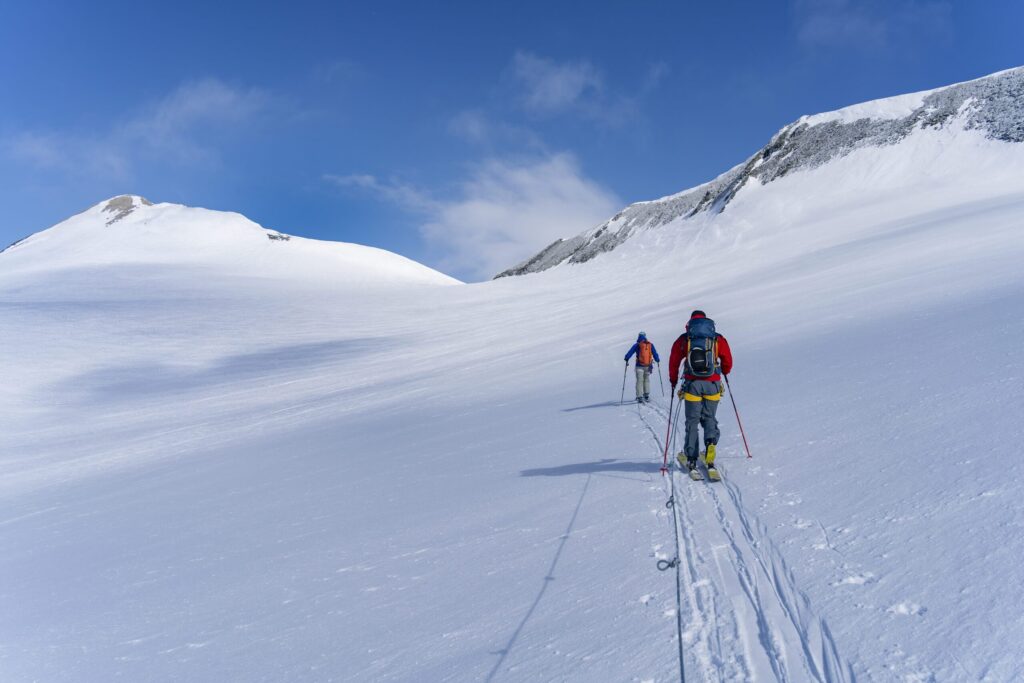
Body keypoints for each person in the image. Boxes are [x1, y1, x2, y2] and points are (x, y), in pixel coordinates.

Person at [667, 311, 733, 474]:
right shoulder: (717, 339)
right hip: (713, 384)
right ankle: (710, 447)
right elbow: (728, 361)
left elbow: (674, 361)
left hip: (692, 384)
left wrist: (673, 380)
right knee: (709, 417)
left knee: (692, 421)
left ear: (690, 323)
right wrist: (724, 371)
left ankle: (691, 459)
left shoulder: (685, 339)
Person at [624, 332, 660, 403]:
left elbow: (630, 352)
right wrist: (657, 359)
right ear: (645, 336)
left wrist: (626, 358)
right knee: (646, 380)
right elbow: (655, 353)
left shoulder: (637, 345)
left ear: (639, 337)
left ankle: (639, 396)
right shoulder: (650, 345)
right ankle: (646, 395)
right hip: (648, 366)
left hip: (639, 366)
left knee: (639, 381)